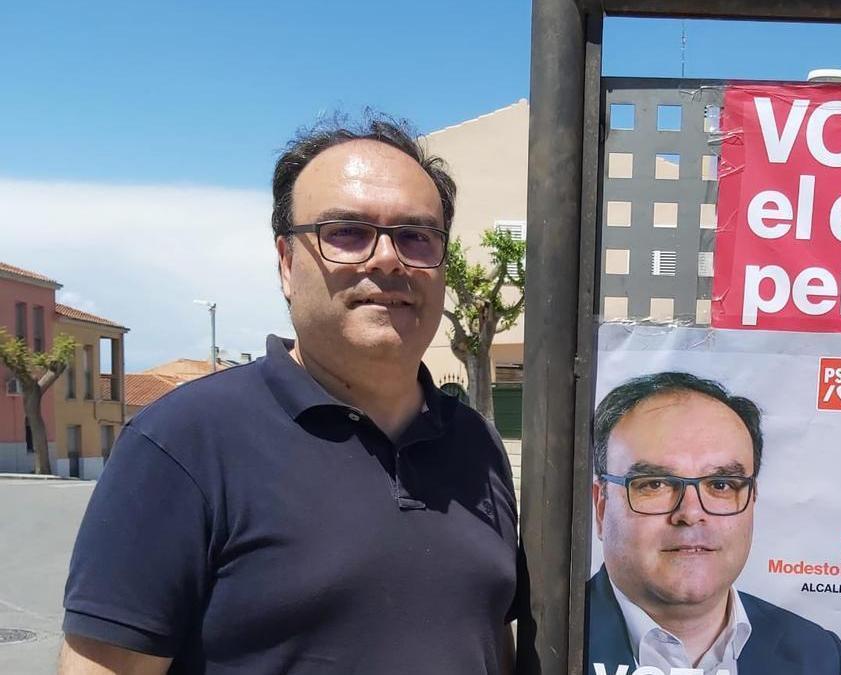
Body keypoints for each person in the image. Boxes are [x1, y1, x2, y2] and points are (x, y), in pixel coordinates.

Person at [59, 115, 528, 674]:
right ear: (286, 263)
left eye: (416, 236)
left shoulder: (476, 444)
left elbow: (491, 642)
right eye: (347, 233)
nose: (387, 259)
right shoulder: (184, 443)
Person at [586, 371, 841, 674]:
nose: (690, 513)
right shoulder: (545, 646)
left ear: (752, 500)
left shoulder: (817, 656)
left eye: (721, 485)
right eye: (656, 484)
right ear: (601, 505)